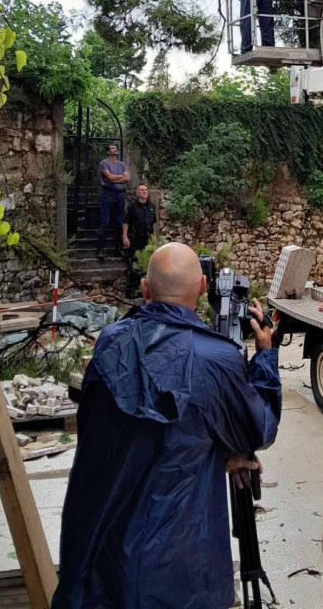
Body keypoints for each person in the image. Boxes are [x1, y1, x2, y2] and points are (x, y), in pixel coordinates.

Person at [52, 242, 281, 609]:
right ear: (203, 289)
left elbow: (110, 433)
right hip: (180, 567)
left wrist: (212, 454)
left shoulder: (110, 343)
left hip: (106, 546)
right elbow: (259, 429)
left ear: (145, 289)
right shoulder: (218, 358)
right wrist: (265, 357)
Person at [122, 183, 158, 295]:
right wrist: (125, 237)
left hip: (147, 239)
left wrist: (154, 237)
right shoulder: (132, 205)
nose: (144, 191)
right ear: (137, 193)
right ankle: (131, 290)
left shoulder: (151, 205)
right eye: (142, 190)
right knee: (134, 264)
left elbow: (154, 224)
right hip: (135, 239)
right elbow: (126, 222)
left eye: (146, 189)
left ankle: (143, 290)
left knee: (147, 264)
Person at [97, 143, 129, 261]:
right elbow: (109, 177)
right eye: (112, 148)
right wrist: (120, 177)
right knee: (105, 220)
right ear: (108, 151)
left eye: (115, 148)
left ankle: (118, 248)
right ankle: (100, 249)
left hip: (120, 195)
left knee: (119, 221)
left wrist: (114, 179)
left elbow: (127, 178)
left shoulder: (122, 164)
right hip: (108, 194)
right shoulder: (104, 163)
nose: (115, 149)